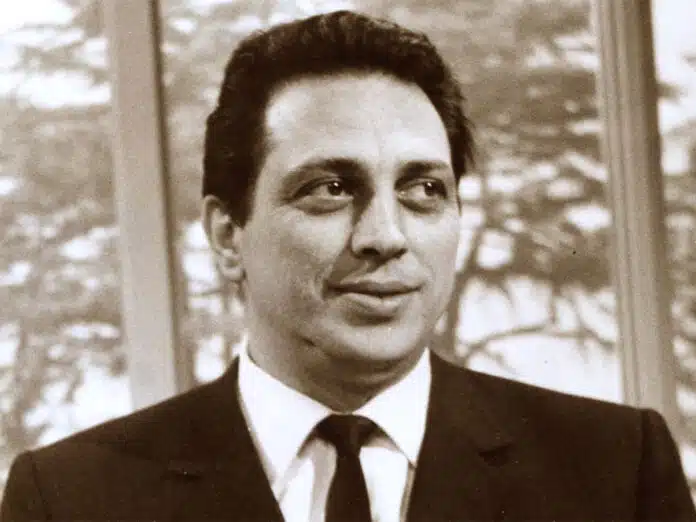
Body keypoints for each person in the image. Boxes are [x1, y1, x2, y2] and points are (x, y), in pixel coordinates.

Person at [1, 9, 694, 522]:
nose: (385, 236)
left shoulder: (615, 471)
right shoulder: (70, 501)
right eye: (331, 188)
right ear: (227, 235)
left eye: (424, 189)